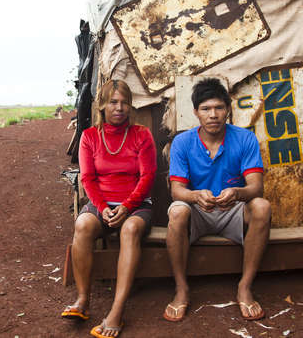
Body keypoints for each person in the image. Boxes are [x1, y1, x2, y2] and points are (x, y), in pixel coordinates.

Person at [163, 78, 271, 322]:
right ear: (195, 113)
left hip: (233, 209)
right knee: (177, 210)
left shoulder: (244, 138)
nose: (213, 115)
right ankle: (181, 289)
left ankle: (244, 286)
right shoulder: (182, 142)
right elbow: (177, 191)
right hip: (197, 212)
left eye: (219, 108)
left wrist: (237, 193)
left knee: (262, 207)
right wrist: (194, 195)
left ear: (228, 109)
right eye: (206, 109)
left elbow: (256, 187)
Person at [61, 79, 157, 338]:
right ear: (102, 105)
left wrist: (126, 207)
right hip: (102, 204)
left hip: (136, 206)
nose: (120, 108)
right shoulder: (89, 137)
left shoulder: (141, 135)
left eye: (125, 102)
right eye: (113, 102)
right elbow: (88, 178)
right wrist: (102, 208)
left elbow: (148, 176)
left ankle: (117, 311)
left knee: (130, 230)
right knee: (82, 225)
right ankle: (83, 300)